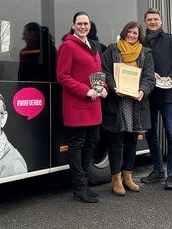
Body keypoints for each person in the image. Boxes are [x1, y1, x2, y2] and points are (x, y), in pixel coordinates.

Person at [56, 11, 108, 203]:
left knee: (92, 143)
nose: (83, 26)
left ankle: (84, 183)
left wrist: (102, 88)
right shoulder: (67, 46)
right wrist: (86, 91)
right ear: (73, 25)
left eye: (86, 23)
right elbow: (62, 76)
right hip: (78, 104)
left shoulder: (93, 46)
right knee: (77, 145)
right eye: (79, 23)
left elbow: (98, 72)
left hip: (94, 105)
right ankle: (79, 187)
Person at [101, 21, 155, 196]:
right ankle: (116, 179)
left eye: (135, 33)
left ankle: (128, 177)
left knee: (132, 140)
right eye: (129, 32)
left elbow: (149, 77)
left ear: (139, 36)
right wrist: (112, 86)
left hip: (136, 103)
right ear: (124, 32)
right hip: (117, 101)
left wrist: (143, 91)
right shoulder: (112, 49)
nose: (132, 35)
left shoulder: (145, 53)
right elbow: (105, 72)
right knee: (116, 141)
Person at [140, 8, 172, 190]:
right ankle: (158, 170)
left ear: (161, 21)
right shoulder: (140, 42)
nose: (153, 22)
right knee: (151, 134)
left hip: (167, 93)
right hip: (148, 95)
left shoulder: (171, 40)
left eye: (155, 19)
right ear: (145, 22)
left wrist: (171, 78)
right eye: (149, 19)